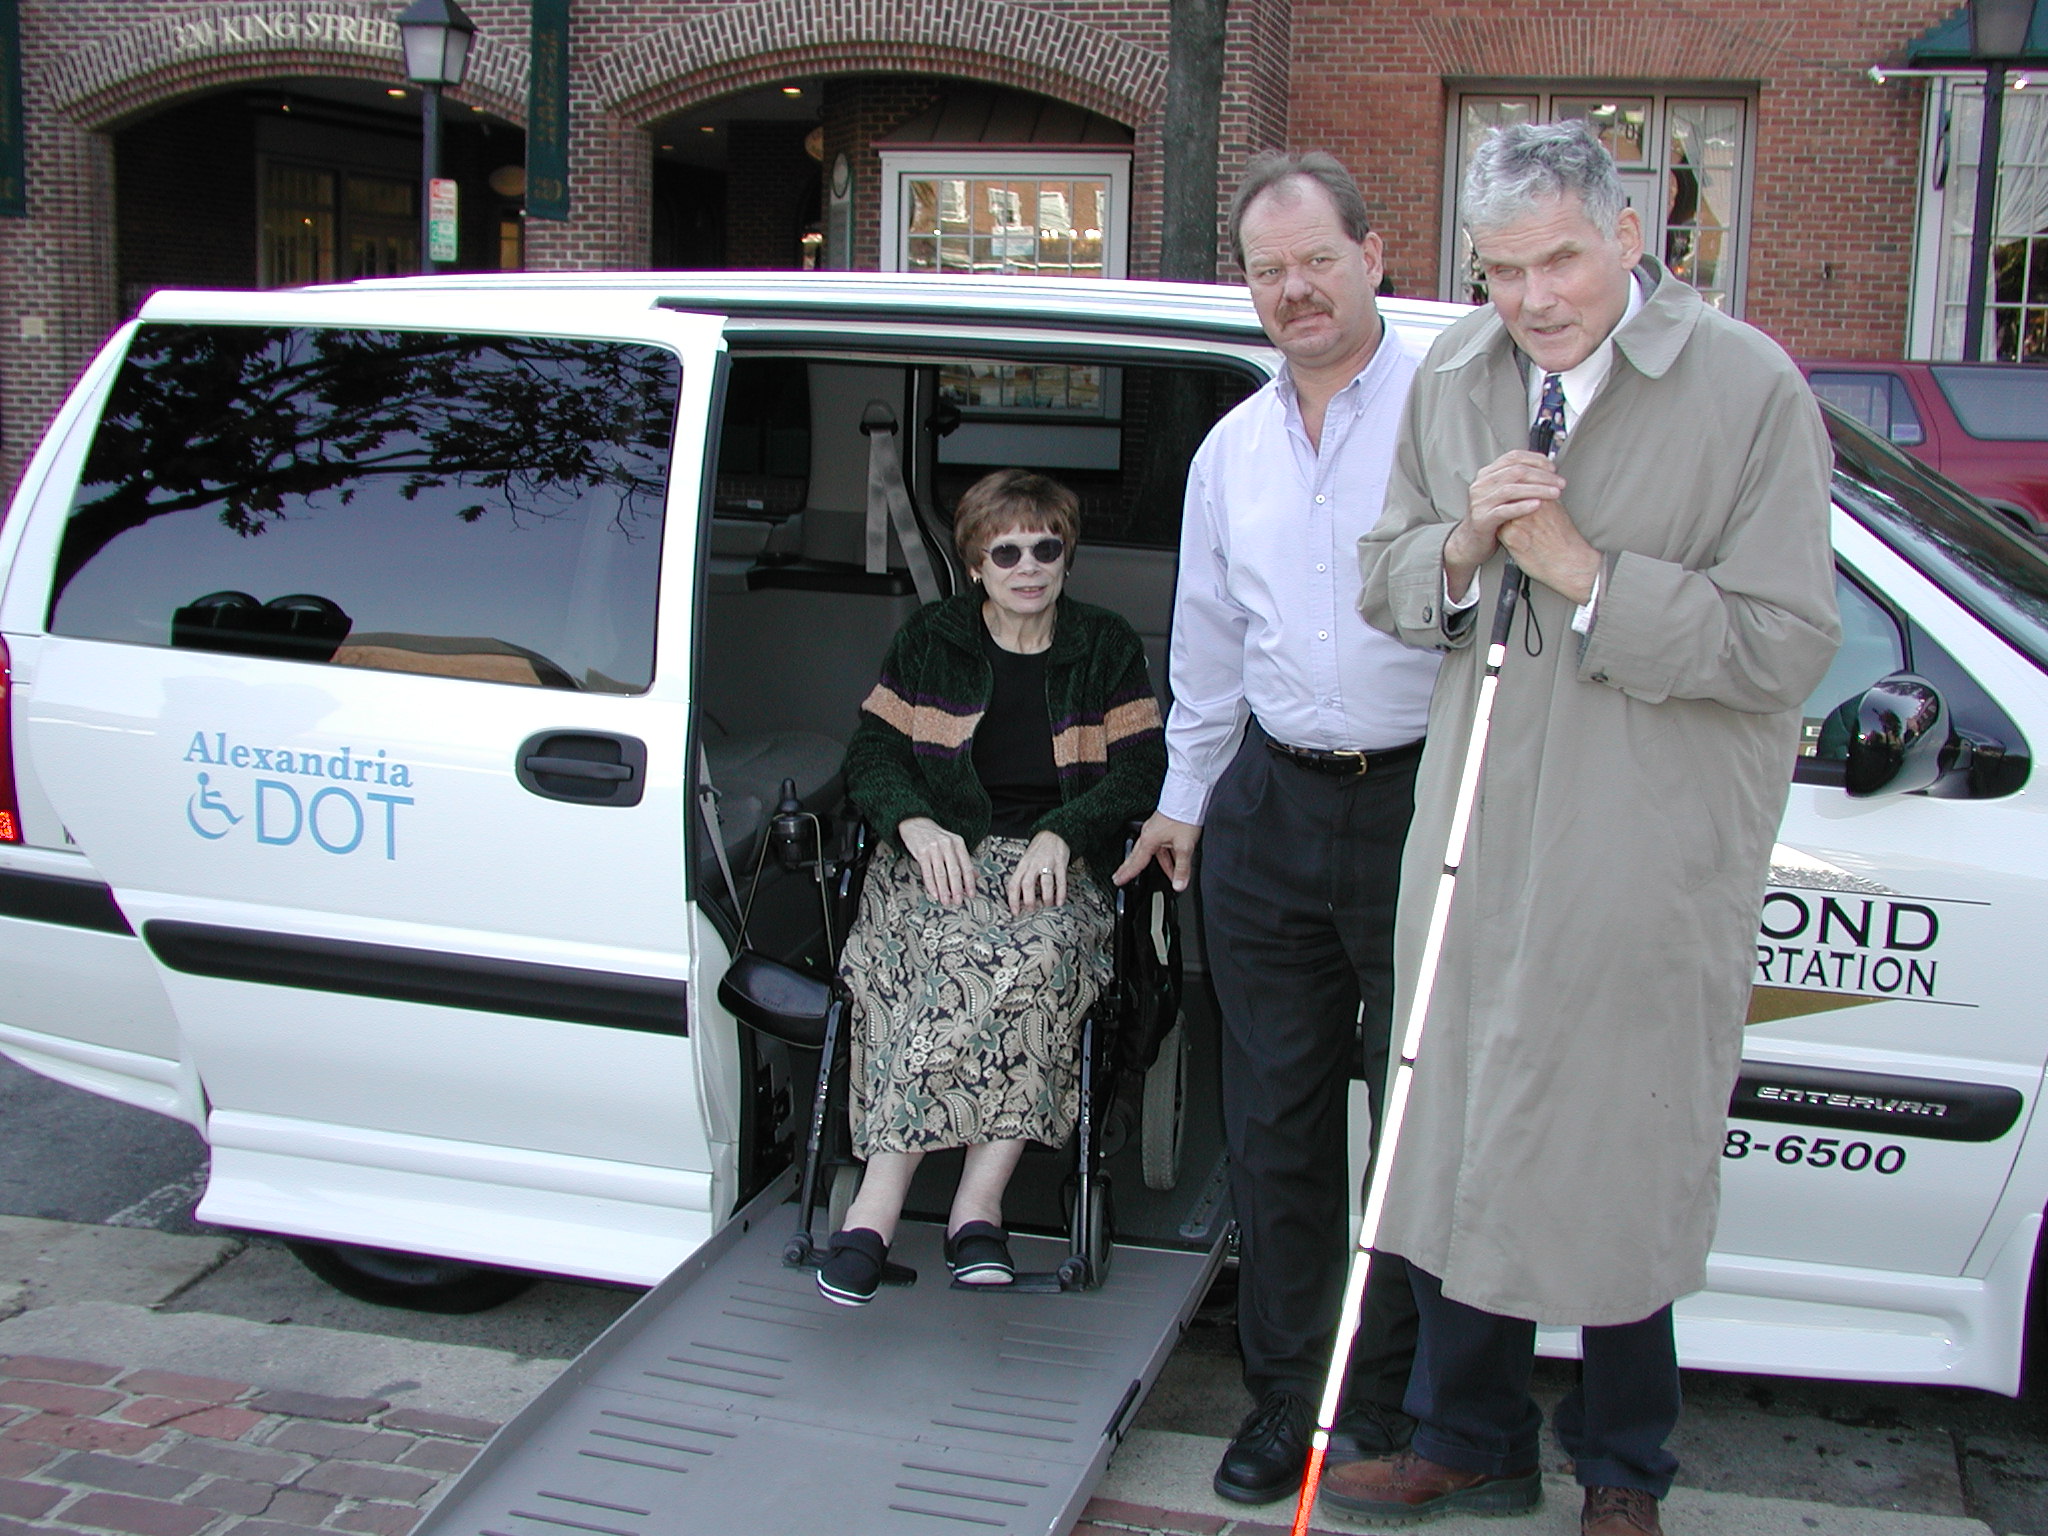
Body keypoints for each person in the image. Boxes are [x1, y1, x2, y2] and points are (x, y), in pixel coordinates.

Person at [1330, 122, 1840, 1536]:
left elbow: (1788, 645)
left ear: (1632, 234)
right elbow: (1385, 580)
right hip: (1478, 829)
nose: (1534, 298)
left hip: (1645, 842)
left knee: (1626, 1145)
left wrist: (1588, 575)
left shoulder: (1749, 391)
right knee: (1459, 1129)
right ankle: (1467, 1438)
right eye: (1500, 271)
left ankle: (1626, 1471)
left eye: (1560, 258)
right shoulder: (1455, 373)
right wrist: (1460, 545)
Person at [1114, 151, 1441, 1505]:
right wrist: (1187, 801)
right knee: (1278, 1128)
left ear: (1373, 253)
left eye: (1317, 258)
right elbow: (1208, 645)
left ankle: (1397, 1412)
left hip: (1430, 808)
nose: (1295, 289)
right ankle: (1285, 1404)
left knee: (1425, 1128)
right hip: (1267, 812)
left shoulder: (1452, 407)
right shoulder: (1233, 449)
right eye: (1268, 270)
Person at [819, 467, 1167, 1306]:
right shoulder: (932, 641)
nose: (1027, 565)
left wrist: (1067, 831)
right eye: (1003, 550)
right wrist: (913, 821)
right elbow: (870, 754)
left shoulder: (1105, 644)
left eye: (1046, 547)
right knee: (931, 955)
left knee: (1033, 961)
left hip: (1054, 864)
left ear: (1067, 557)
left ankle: (974, 1208)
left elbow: (1143, 767)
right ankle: (879, 1209)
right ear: (975, 564)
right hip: (938, 858)